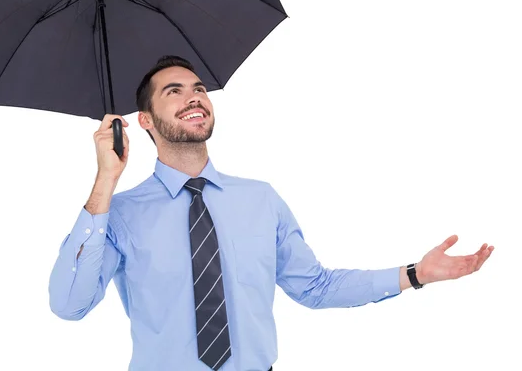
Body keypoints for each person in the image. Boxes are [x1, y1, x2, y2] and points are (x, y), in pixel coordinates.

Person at [48, 55, 494, 371]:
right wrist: (105, 180)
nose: (194, 97)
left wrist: (415, 273)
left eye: (199, 88)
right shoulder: (119, 213)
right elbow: (70, 306)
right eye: (174, 91)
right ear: (144, 120)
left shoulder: (260, 200)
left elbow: (315, 287)